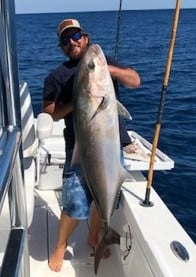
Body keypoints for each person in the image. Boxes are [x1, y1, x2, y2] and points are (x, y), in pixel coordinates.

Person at [42, 18, 141, 272]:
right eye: (66, 40)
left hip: (110, 147)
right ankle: (60, 246)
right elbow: (50, 111)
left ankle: (96, 235)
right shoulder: (56, 76)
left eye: (75, 36)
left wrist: (107, 71)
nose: (72, 42)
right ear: (61, 47)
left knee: (104, 199)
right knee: (74, 203)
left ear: (85, 37)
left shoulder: (105, 65)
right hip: (78, 149)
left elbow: (135, 80)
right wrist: (77, 103)